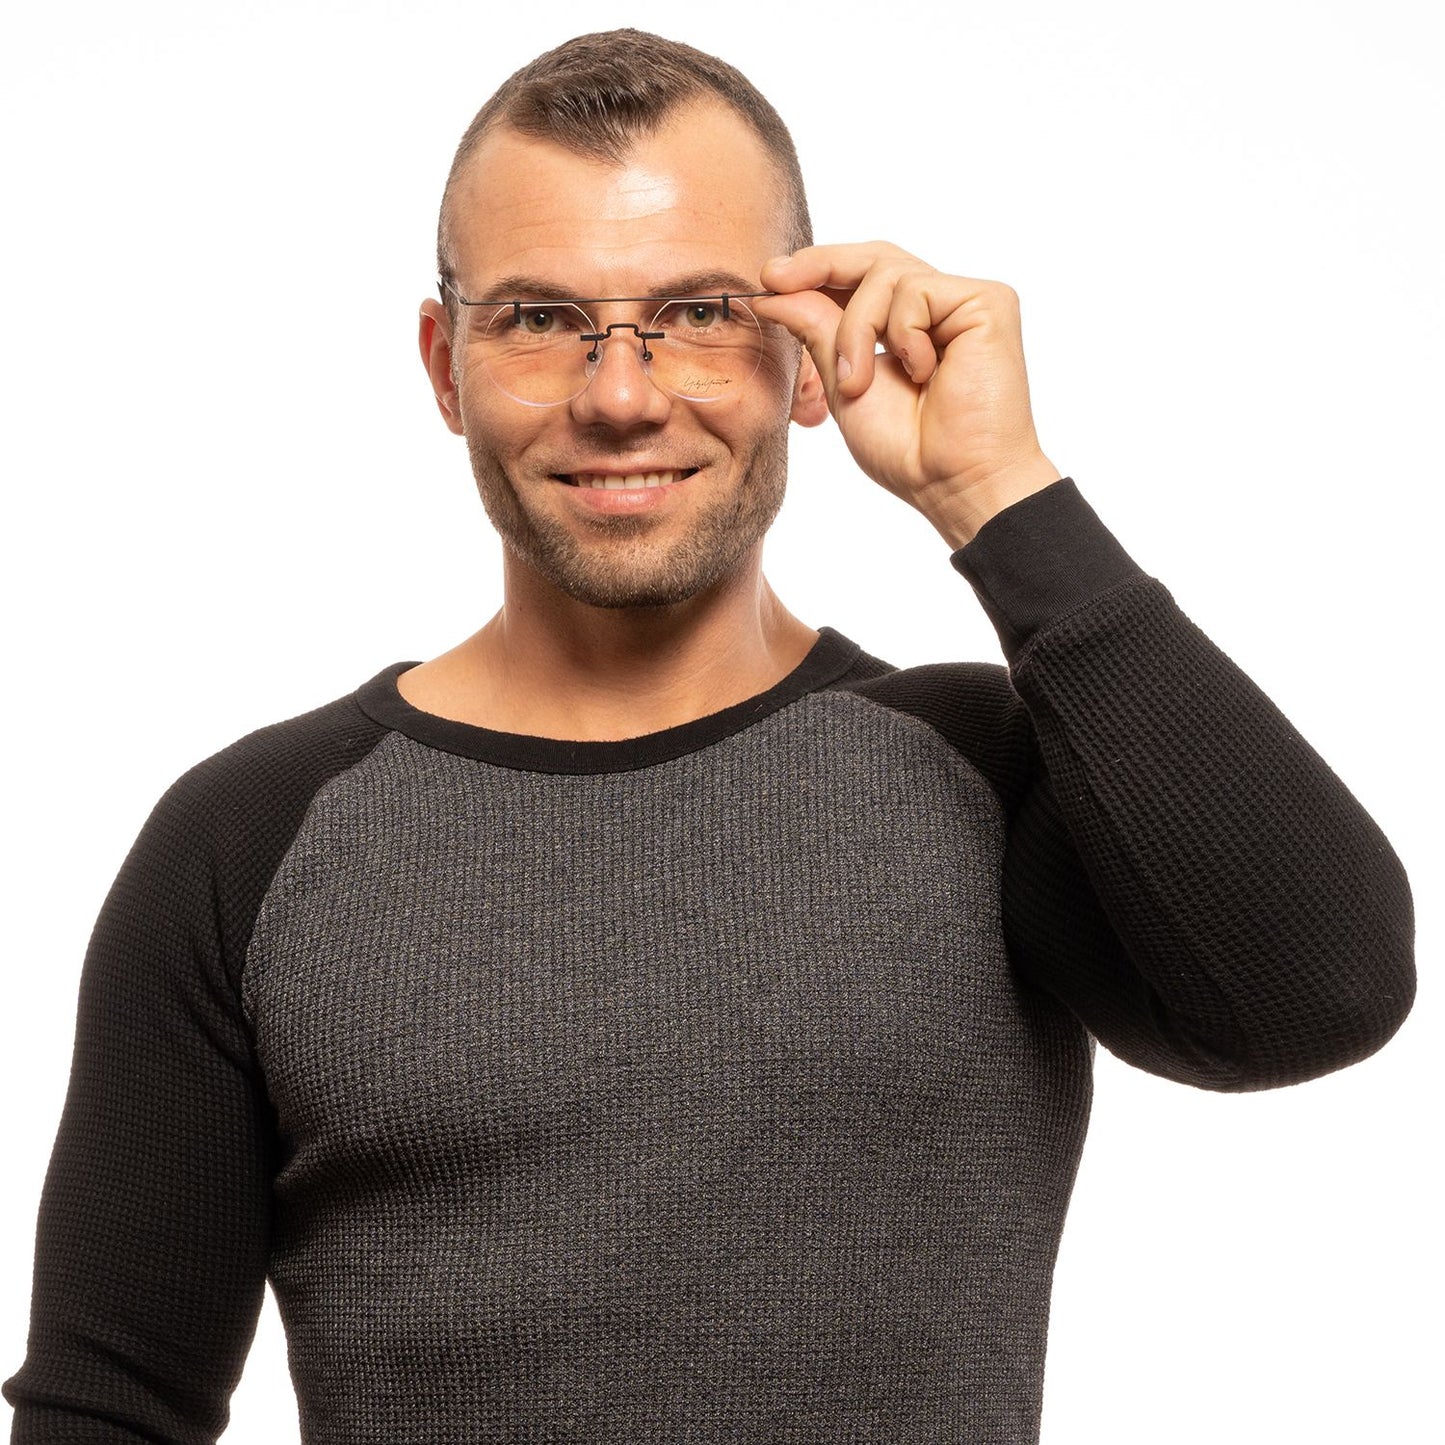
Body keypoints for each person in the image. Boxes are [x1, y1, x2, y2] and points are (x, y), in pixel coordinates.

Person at [3, 27, 1415, 1445]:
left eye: (695, 312)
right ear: (444, 365)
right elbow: (106, 1405)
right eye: (541, 320)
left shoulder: (988, 772)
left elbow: (1321, 992)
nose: (622, 396)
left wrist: (998, 490)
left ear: (807, 351)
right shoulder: (248, 839)